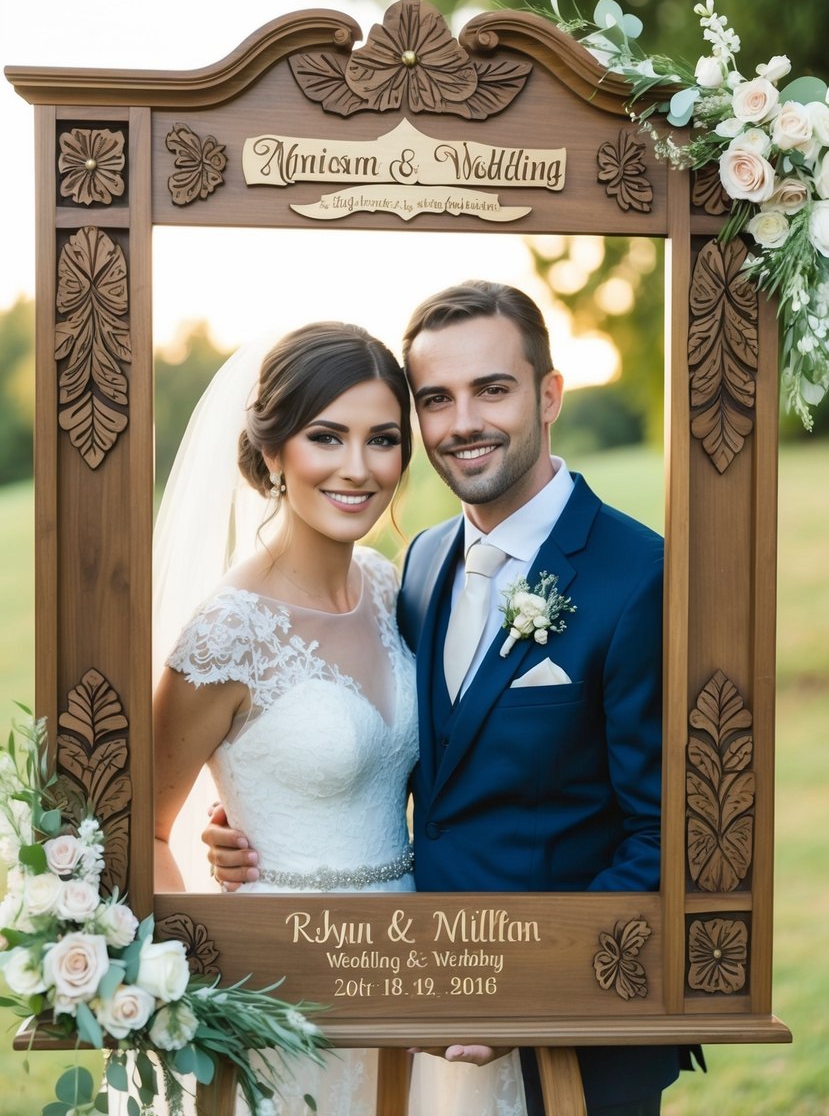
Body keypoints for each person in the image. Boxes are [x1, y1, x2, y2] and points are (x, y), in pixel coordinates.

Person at [208, 282, 697, 1114]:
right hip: (414, 1015)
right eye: (435, 398)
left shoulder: (639, 578)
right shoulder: (419, 566)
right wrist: (256, 815)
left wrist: (534, 989)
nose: (462, 421)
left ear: (548, 395)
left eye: (492, 389)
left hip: (577, 1035)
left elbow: (671, 835)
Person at [153, 321, 422, 1113]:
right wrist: (209, 988)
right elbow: (147, 830)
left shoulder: (387, 584)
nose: (358, 468)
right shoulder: (227, 630)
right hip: (282, 994)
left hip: (417, 970)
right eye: (325, 437)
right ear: (272, 453)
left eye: (382, 440)